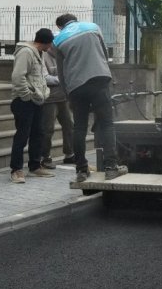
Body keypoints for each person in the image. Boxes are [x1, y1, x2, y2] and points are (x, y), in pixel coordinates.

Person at [53, 13, 127, 183]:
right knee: (107, 124)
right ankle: (111, 168)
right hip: (99, 79)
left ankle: (81, 170)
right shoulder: (93, 27)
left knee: (79, 127)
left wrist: (68, 95)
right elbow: (103, 54)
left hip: (76, 87)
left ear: (60, 27)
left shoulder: (58, 41)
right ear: (75, 20)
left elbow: (61, 72)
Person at [9, 28, 56, 183]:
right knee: (22, 135)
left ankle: (35, 166)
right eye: (50, 44)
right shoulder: (26, 52)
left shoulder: (39, 54)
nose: (50, 47)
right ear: (46, 43)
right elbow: (17, 76)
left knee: (38, 133)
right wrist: (26, 96)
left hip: (37, 100)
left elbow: (40, 77)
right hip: (24, 101)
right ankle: (16, 170)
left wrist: (44, 92)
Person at [39, 43, 75, 169]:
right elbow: (45, 78)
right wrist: (62, 78)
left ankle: (69, 154)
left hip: (63, 97)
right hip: (49, 99)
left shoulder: (64, 56)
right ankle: (45, 157)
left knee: (69, 125)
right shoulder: (43, 56)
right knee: (48, 128)